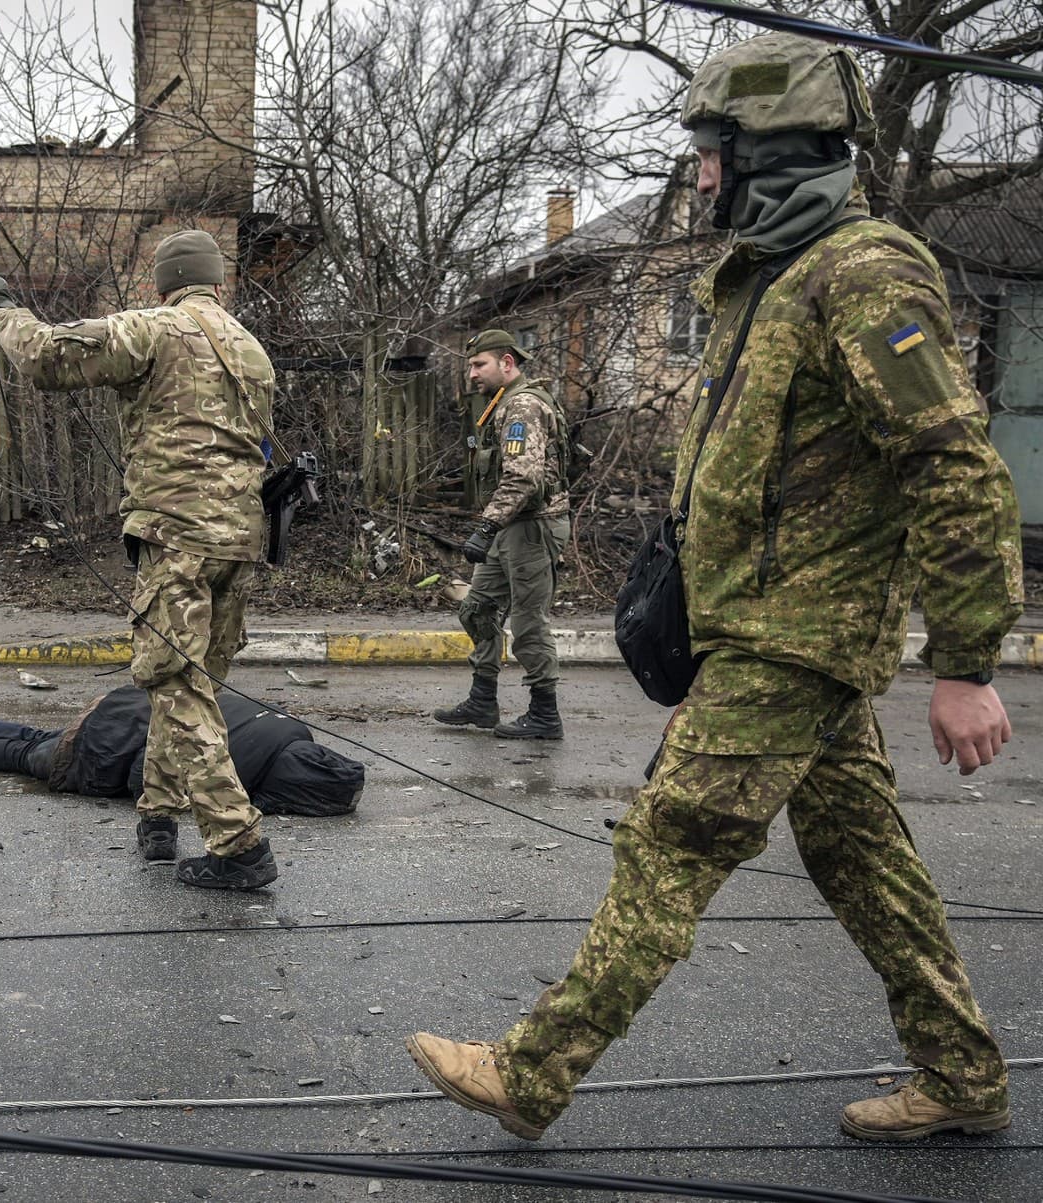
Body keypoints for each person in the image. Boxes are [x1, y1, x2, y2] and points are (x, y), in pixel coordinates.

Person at [407, 32, 1023, 1145]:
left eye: (709, 151)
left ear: (772, 151)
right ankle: (964, 1077)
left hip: (798, 633)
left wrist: (968, 663)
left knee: (673, 837)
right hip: (766, 625)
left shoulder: (867, 271)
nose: (696, 174)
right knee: (860, 857)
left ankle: (533, 1072)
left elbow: (954, 465)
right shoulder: (769, 281)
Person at [0, 229, 278, 890]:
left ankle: (238, 841)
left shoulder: (156, 328)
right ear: (220, 283)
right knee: (190, 686)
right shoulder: (251, 349)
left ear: (162, 284)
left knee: (176, 683)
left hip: (178, 537)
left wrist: (1, 307)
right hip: (242, 539)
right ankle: (160, 814)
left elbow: (46, 357)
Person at [0, 686, 364, 816]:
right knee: (27, 756)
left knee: (41, 737)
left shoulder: (288, 728)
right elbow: (144, 773)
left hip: (130, 704)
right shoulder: (234, 771)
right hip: (110, 745)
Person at [433, 329, 570, 740]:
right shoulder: (501, 403)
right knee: (476, 609)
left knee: (529, 623)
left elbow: (523, 478)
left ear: (506, 363)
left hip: (530, 528)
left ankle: (545, 715)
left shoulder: (523, 406)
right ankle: (482, 700)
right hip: (509, 527)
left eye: (479, 365)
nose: (472, 374)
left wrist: (486, 526)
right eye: (471, 365)